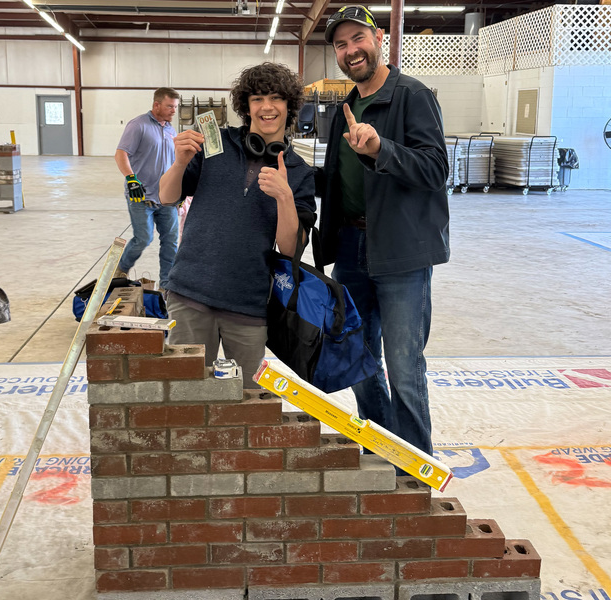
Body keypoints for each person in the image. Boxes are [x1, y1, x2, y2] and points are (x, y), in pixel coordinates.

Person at [317, 6, 450, 456]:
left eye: (358, 38)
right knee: (359, 360)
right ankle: (383, 451)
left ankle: (414, 469)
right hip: (350, 247)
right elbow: (337, 178)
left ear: (378, 39)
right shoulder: (346, 107)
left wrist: (381, 149)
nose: (350, 50)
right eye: (341, 44)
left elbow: (436, 169)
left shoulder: (412, 95)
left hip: (400, 250)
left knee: (404, 367)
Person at [159, 62, 316, 389]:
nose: (267, 107)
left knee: (247, 400)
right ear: (246, 106)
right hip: (189, 294)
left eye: (276, 98)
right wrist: (180, 163)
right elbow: (167, 196)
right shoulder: (215, 143)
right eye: (257, 98)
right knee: (185, 394)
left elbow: (291, 247)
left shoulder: (299, 172)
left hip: (248, 305)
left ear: (289, 105)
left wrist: (285, 198)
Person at [114, 87, 180, 288]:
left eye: (175, 107)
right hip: (141, 196)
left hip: (166, 197)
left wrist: (180, 188)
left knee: (171, 242)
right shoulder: (138, 125)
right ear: (156, 105)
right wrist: (131, 179)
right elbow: (121, 154)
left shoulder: (171, 130)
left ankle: (167, 285)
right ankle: (121, 268)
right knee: (143, 238)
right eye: (170, 106)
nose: (174, 111)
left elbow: (174, 162)